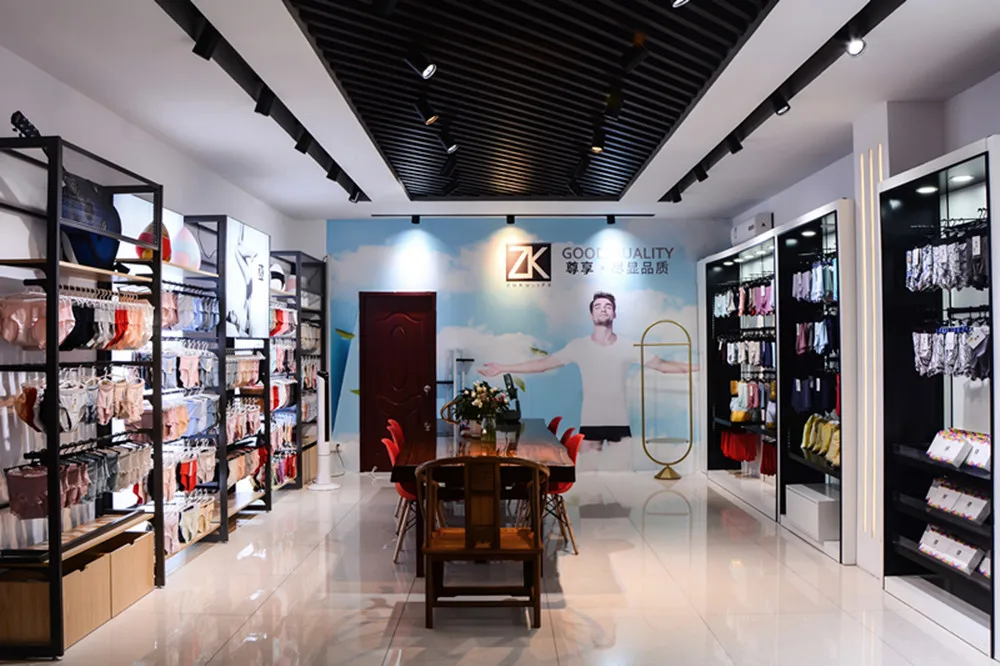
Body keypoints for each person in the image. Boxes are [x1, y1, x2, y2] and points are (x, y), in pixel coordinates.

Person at [479, 291, 693, 451]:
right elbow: (542, 364)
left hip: (619, 422)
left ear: (614, 313)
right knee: (590, 482)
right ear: (591, 314)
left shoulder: (628, 346)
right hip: (591, 421)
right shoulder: (579, 346)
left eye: (608, 306)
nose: (603, 309)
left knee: (621, 481)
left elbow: (662, 366)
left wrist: (699, 367)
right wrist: (503, 368)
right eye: (598, 306)